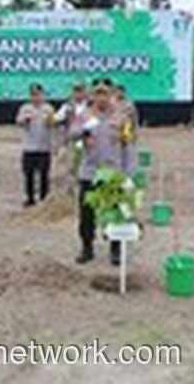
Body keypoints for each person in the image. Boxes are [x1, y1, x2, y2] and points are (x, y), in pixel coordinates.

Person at [73, 82, 136, 266]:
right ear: (93, 96)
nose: (101, 98)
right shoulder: (84, 115)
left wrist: (129, 173)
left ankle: (115, 250)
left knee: (115, 213)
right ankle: (87, 247)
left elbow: (128, 145)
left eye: (105, 94)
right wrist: (84, 133)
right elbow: (72, 133)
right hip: (90, 172)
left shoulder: (121, 117)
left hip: (113, 174)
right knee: (86, 214)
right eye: (98, 94)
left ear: (111, 95)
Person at [16, 84, 55, 207]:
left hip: (44, 147)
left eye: (38, 94)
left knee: (44, 174)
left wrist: (50, 121)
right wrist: (25, 120)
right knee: (28, 174)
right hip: (29, 147)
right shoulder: (25, 108)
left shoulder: (48, 109)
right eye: (33, 94)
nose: (36, 97)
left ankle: (44, 197)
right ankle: (30, 198)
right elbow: (18, 122)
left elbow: (54, 123)